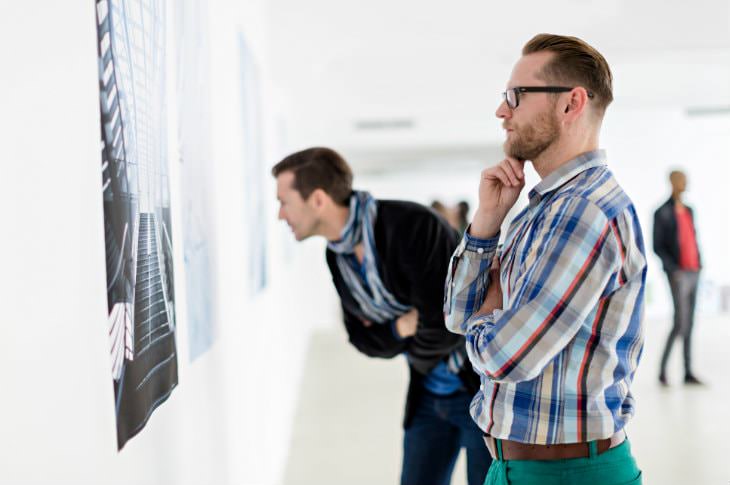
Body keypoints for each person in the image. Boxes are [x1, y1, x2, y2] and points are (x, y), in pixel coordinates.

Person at [444, 34, 646, 484]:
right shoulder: (541, 208)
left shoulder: (585, 211)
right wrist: (485, 227)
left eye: (516, 96)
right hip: (517, 467)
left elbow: (506, 357)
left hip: (568, 474)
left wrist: (490, 315)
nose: (502, 111)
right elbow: (458, 317)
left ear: (571, 103)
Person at [272, 147, 491, 485]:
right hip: (428, 395)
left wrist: (396, 334)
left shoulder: (412, 226)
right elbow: (363, 340)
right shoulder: (337, 257)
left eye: (284, 202)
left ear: (317, 200)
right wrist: (404, 325)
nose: (280, 215)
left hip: (479, 394)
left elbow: (450, 325)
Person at [653, 170, 703, 385]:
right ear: (673, 182)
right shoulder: (662, 212)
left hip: (695, 271)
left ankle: (687, 372)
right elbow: (657, 246)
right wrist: (673, 269)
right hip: (679, 274)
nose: (686, 182)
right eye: (682, 179)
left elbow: (692, 238)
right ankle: (663, 371)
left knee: (689, 323)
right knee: (680, 322)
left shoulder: (690, 210)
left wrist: (699, 263)